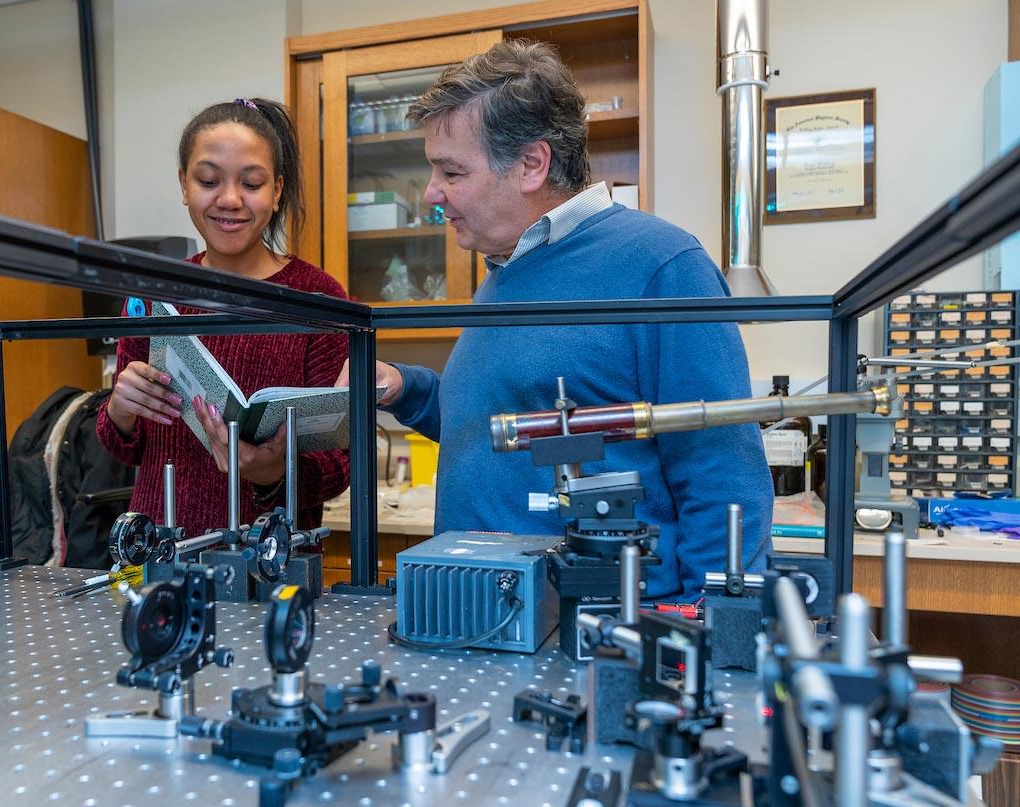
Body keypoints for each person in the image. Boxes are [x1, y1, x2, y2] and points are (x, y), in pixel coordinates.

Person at [338, 41, 772, 600]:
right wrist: (409, 389)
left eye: (451, 171)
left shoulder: (661, 265)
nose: (432, 193)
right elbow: (517, 430)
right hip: (488, 615)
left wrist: (710, 630)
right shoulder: (505, 271)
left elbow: (723, 474)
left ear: (531, 164)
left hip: (598, 631)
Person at [97, 98, 350, 538]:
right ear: (184, 184)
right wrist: (119, 408)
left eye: (251, 183)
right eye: (209, 180)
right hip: (159, 551)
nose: (230, 200)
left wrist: (270, 473)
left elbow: (341, 464)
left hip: (269, 564)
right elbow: (127, 447)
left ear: (276, 191)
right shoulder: (153, 295)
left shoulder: (319, 298)